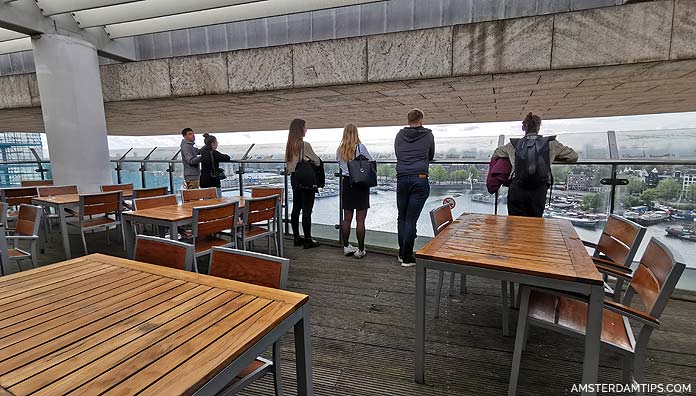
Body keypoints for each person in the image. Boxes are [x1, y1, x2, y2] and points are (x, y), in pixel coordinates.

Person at [492, 112, 578, 217]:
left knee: (514, 223)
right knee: (535, 224)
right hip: (539, 190)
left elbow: (497, 153)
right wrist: (554, 156)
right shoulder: (551, 144)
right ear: (538, 127)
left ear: (524, 127)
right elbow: (573, 156)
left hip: (517, 188)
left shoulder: (514, 145)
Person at [395, 109, 435, 267]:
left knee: (402, 217)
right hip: (420, 178)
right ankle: (407, 257)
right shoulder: (428, 135)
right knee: (411, 219)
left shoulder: (399, 135)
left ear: (408, 119)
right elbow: (431, 155)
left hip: (402, 177)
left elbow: (398, 153)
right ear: (421, 120)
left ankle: (401, 252)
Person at [336, 123, 373, 259]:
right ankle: (361, 249)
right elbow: (371, 161)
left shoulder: (339, 149)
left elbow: (340, 165)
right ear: (356, 133)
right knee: (360, 220)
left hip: (346, 183)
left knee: (347, 219)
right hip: (360, 184)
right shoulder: (360, 147)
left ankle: (346, 247)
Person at [286, 118, 321, 249]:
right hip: (306, 180)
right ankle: (308, 239)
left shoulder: (289, 145)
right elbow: (317, 161)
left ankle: (296, 237)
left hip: (295, 179)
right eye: (305, 127)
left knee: (296, 209)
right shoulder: (304, 145)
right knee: (307, 210)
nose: (307, 129)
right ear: (300, 129)